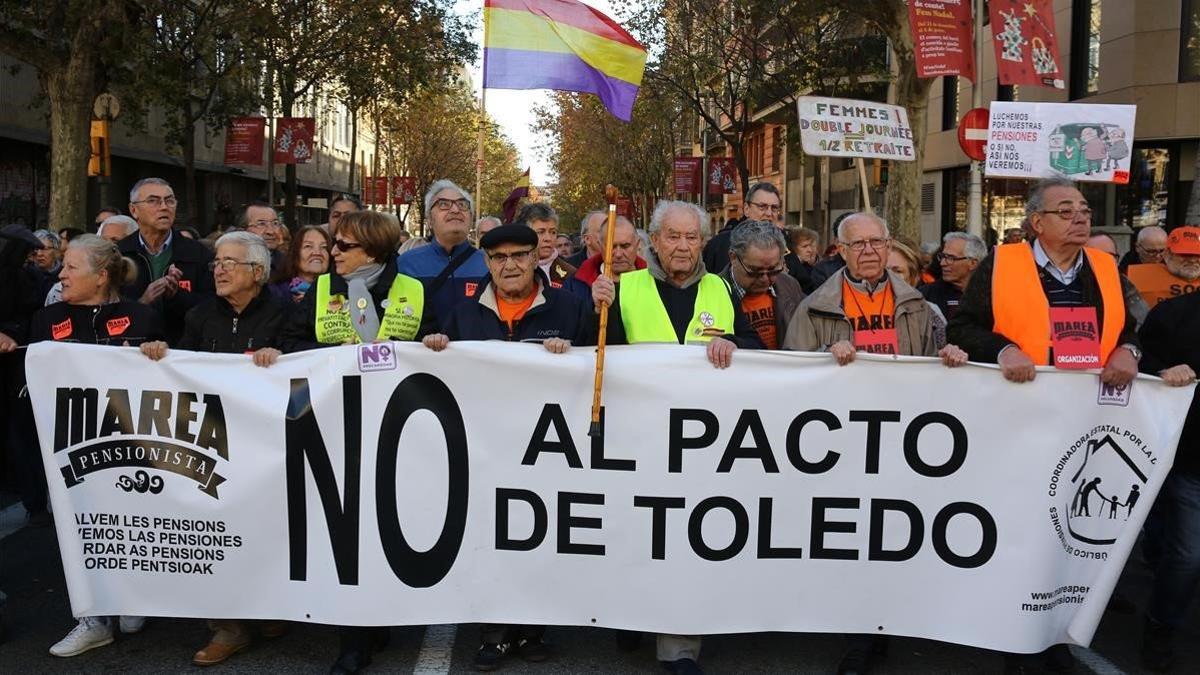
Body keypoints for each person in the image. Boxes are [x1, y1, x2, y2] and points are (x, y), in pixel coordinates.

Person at [593, 200, 763, 675]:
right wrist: (592, 307)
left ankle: (679, 645)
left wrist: (735, 343)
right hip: (636, 437)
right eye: (672, 236)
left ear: (704, 242)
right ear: (654, 241)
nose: (683, 246)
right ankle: (629, 612)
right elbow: (590, 350)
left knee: (686, 538)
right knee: (633, 529)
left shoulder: (722, 290)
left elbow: (757, 349)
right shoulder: (622, 290)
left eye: (692, 237)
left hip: (701, 447)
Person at [281, 209, 429, 673]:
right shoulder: (322, 289)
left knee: (385, 527)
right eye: (332, 244)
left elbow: (437, 348)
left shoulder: (413, 290)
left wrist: (436, 343)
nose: (332, 253)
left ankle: (379, 619)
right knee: (348, 534)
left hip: (395, 433)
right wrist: (332, 358)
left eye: (343, 246)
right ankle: (353, 641)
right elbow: (290, 345)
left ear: (375, 251)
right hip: (334, 429)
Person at [140, 231, 289, 666]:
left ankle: (267, 607)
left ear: (257, 273)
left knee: (265, 529)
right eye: (216, 262)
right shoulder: (199, 315)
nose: (218, 268)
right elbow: (180, 371)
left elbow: (305, 362)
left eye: (229, 262)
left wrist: (281, 355)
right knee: (213, 531)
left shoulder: (286, 313)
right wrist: (160, 354)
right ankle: (227, 626)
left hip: (265, 442)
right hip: (210, 444)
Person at [36, 235, 162, 658]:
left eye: (71, 267)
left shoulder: (140, 316)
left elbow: (169, 383)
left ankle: (133, 596)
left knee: (129, 523)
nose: (61, 274)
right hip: (69, 448)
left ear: (101, 274)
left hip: (127, 445)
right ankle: (92, 619)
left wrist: (157, 353)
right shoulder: (47, 317)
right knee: (77, 528)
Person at [948, 177, 1140, 387]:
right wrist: (1003, 351)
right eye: (1066, 212)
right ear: (1037, 222)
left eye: (1085, 211)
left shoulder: (1106, 266)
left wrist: (1129, 350)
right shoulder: (1000, 263)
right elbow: (961, 328)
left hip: (1091, 402)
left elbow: (1127, 329)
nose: (1081, 219)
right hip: (1021, 396)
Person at [783, 212, 965, 368]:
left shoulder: (916, 304)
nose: (868, 250)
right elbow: (795, 371)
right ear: (842, 251)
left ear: (888, 246)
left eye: (876, 241)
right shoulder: (813, 308)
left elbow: (929, 367)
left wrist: (947, 358)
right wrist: (826, 354)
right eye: (858, 243)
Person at [1137, 282, 1200, 671]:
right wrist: (1162, 371)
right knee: (1188, 557)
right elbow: (1136, 363)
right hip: (1190, 460)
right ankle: (1160, 629)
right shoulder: (1174, 315)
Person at [117, 177, 215, 345]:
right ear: (134, 210)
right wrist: (142, 302)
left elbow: (212, 305)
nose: (164, 207)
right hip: (131, 350)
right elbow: (106, 305)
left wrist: (176, 296)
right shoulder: (119, 254)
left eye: (169, 201)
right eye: (153, 201)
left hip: (181, 351)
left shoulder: (198, 253)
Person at [397, 180, 489, 327]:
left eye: (462, 204)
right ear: (429, 220)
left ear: (471, 219)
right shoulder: (406, 265)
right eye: (444, 204)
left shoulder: (490, 264)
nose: (455, 210)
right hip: (423, 349)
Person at [719, 220, 804, 350]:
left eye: (773, 270)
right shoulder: (713, 291)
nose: (764, 279)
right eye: (755, 271)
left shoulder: (789, 285)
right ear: (733, 257)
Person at [46, 216, 140, 305]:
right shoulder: (51, 305)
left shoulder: (135, 315)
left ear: (101, 276)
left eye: (71, 267)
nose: (61, 275)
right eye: (102, 239)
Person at [562, 215, 645, 306]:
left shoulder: (654, 280)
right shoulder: (576, 284)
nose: (618, 254)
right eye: (611, 247)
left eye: (625, 246)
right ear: (600, 245)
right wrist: (593, 309)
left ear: (637, 244)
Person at [701, 182, 781, 273]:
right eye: (762, 207)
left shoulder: (785, 244)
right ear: (746, 209)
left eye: (774, 208)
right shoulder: (720, 245)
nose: (769, 213)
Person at [888, 239, 948, 349]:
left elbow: (940, 355)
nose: (890, 276)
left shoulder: (930, 312)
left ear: (913, 277)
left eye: (898, 271)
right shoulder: (857, 307)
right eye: (884, 271)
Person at [1126, 226, 1200, 308]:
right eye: (1185, 254)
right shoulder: (1128, 277)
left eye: (1198, 255)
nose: (1193, 260)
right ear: (1167, 255)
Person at [1087, 233, 1150, 329]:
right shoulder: (1068, 288)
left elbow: (1140, 323)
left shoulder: (1125, 286)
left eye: (1110, 256)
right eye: (1096, 256)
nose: (1104, 261)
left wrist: (1129, 343)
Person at [920, 232, 985, 319]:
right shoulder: (925, 295)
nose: (942, 263)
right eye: (942, 256)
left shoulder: (991, 296)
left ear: (973, 263)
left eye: (951, 258)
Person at [515, 203, 575, 288]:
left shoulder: (570, 273)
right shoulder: (512, 270)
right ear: (524, 234)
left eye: (553, 232)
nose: (548, 238)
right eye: (540, 232)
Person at [268, 225, 331, 303]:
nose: (317, 253)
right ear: (295, 253)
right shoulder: (276, 293)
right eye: (308, 246)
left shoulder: (339, 291)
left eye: (324, 247)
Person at [783, 227, 826, 294]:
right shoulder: (789, 264)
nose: (810, 250)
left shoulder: (807, 265)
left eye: (811, 246)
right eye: (804, 246)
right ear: (794, 247)